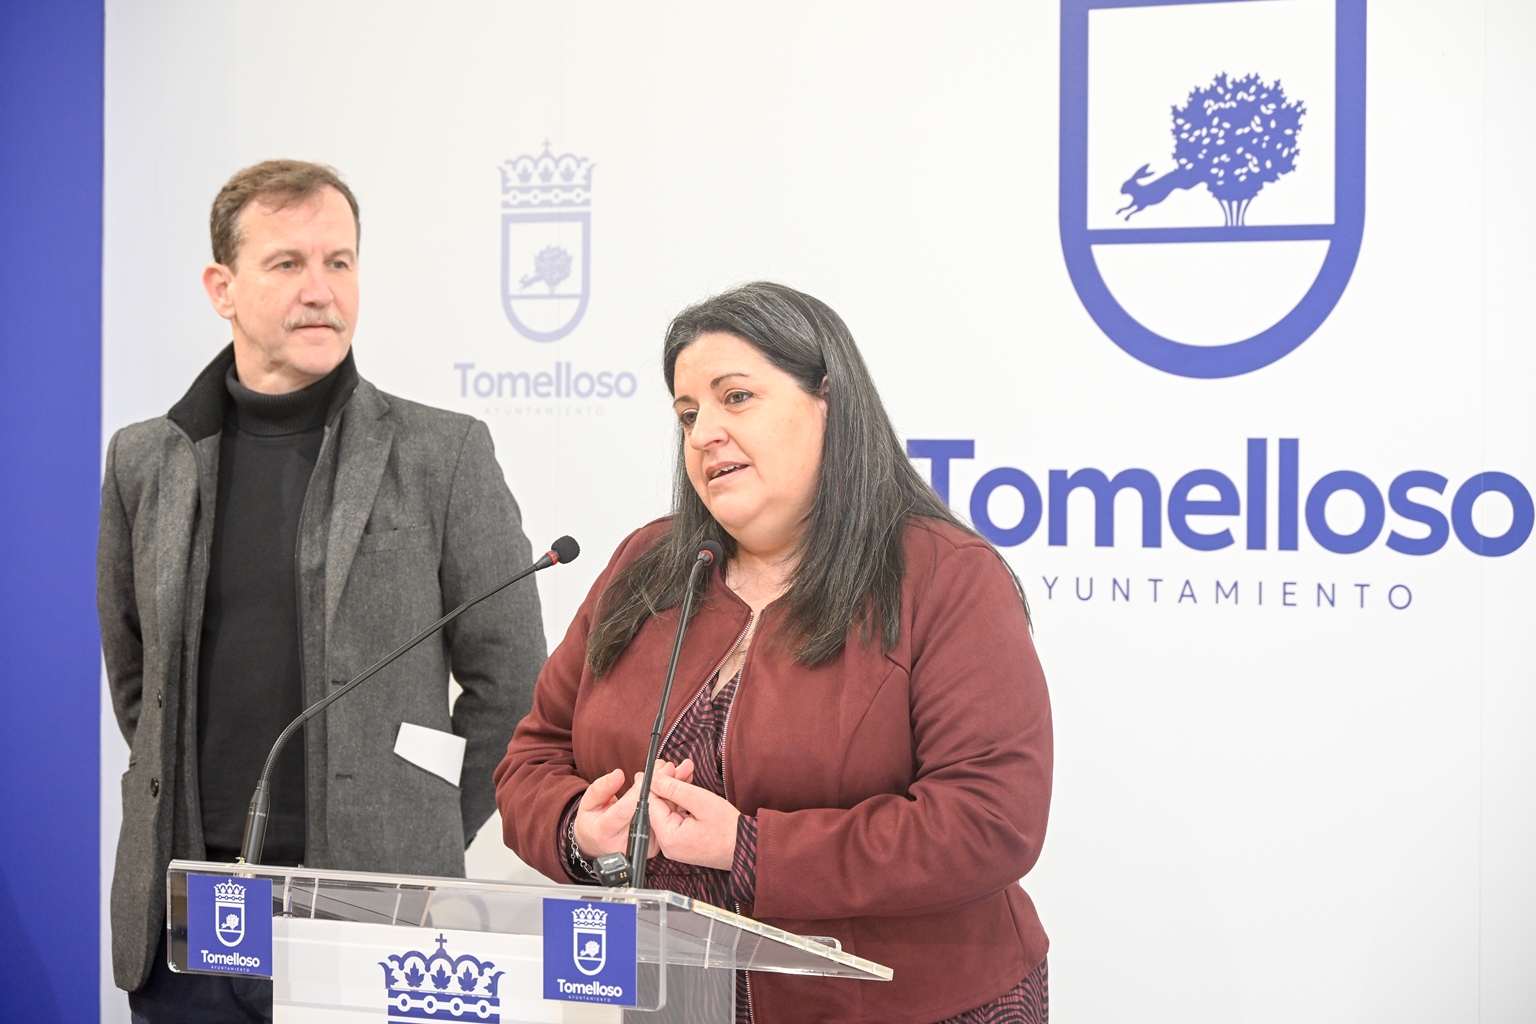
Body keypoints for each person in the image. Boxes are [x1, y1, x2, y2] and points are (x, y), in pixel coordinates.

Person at [496, 282, 1051, 1023]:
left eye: (736, 398)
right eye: (688, 414)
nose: (702, 434)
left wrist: (751, 848)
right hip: (664, 1002)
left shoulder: (945, 575)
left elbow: (990, 819)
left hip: (905, 1005)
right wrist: (580, 828)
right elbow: (531, 760)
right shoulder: (647, 563)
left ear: (827, 399)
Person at [98, 160, 546, 1023]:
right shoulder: (143, 461)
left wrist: (415, 829)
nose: (321, 290)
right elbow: (138, 679)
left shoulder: (442, 455)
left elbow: (515, 686)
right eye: (287, 263)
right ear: (221, 287)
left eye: (339, 262)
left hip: (372, 921)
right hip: (188, 918)